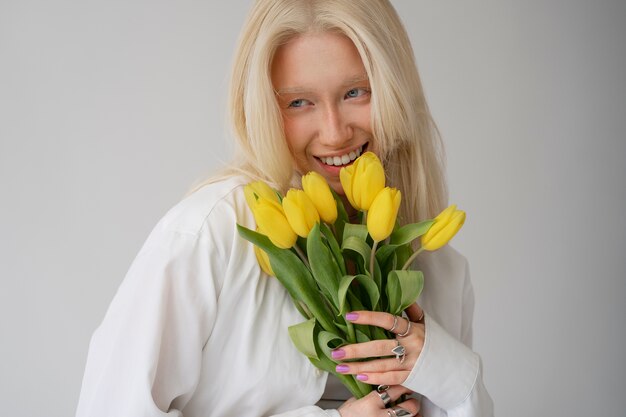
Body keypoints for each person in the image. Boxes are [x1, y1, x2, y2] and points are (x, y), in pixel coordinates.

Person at [76, 1, 494, 416]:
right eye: (299, 103)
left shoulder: (440, 269)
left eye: (356, 92)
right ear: (263, 110)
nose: (334, 133)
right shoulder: (211, 235)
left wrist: (450, 372)